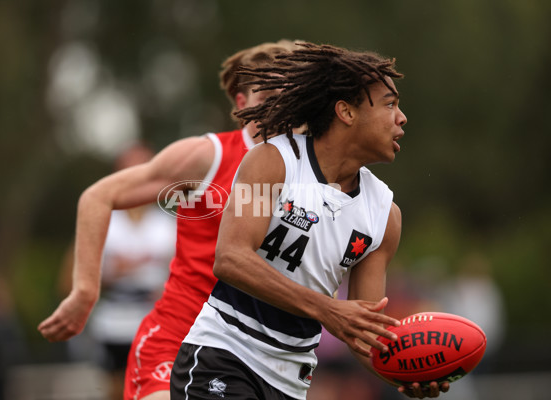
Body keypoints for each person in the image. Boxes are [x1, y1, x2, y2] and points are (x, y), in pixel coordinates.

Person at [170, 42, 450, 399]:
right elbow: (231, 258)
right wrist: (328, 309)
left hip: (291, 382)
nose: (402, 118)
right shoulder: (272, 161)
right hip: (224, 355)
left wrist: (408, 373)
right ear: (346, 112)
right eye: (390, 104)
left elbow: (362, 332)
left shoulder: (385, 216)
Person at [38, 39, 299, 400]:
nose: (277, 104)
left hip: (257, 355)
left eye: (289, 93)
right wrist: (85, 291)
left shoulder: (317, 176)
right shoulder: (207, 156)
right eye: (266, 92)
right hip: (177, 336)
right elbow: (99, 196)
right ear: (241, 103)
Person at [56, 143, 177, 400]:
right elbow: (67, 281)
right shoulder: (102, 222)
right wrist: (109, 275)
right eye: (130, 169)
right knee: (118, 391)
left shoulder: (168, 225)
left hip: (158, 322)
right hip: (113, 324)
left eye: (146, 169)